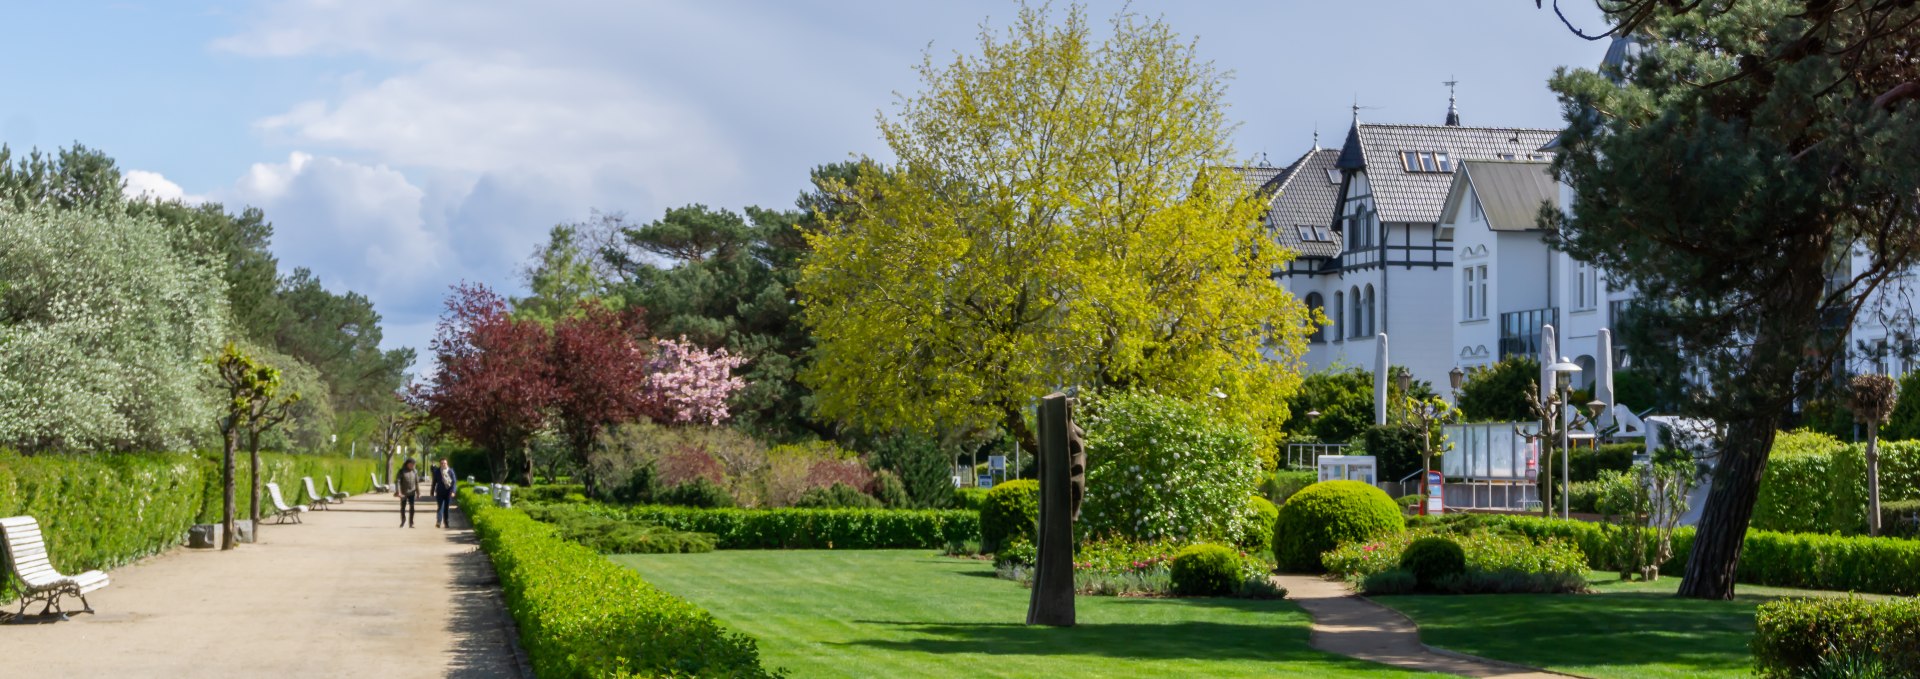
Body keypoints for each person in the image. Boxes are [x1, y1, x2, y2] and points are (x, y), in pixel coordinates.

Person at [431, 458, 458, 528]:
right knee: (440, 507)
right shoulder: (437, 471)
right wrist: (432, 491)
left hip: (448, 492)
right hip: (440, 492)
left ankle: (446, 522)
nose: (443, 464)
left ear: (447, 464)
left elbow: (454, 482)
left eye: (444, 463)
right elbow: (434, 482)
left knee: (446, 508)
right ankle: (439, 521)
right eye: (442, 463)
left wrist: (453, 491)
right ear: (440, 464)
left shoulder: (450, 471)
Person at [395, 459, 420, 528]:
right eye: (411, 464)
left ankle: (411, 522)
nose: (413, 466)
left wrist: (418, 493)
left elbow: (417, 483)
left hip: (412, 492)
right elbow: (398, 482)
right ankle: (403, 520)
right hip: (403, 492)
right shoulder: (402, 471)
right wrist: (398, 492)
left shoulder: (415, 472)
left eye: (414, 464)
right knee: (403, 507)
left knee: (412, 507)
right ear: (407, 464)